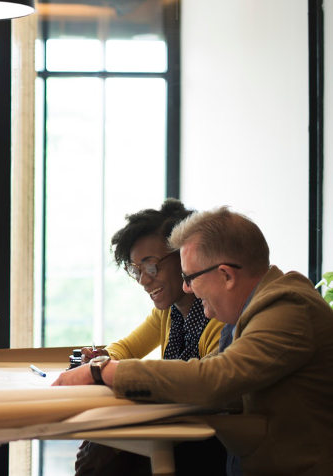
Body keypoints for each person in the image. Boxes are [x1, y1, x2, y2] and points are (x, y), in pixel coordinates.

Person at [53, 206, 333, 475]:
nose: (187, 287)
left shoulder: (287, 307)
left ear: (225, 275)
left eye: (190, 277)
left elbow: (214, 379)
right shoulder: (247, 316)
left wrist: (103, 370)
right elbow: (213, 373)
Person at [73, 199, 225, 476]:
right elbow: (126, 348)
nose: (144, 280)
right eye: (136, 270)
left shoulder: (217, 314)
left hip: (208, 444)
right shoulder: (169, 313)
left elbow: (207, 391)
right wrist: (102, 359)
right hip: (177, 431)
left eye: (151, 266)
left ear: (186, 257)